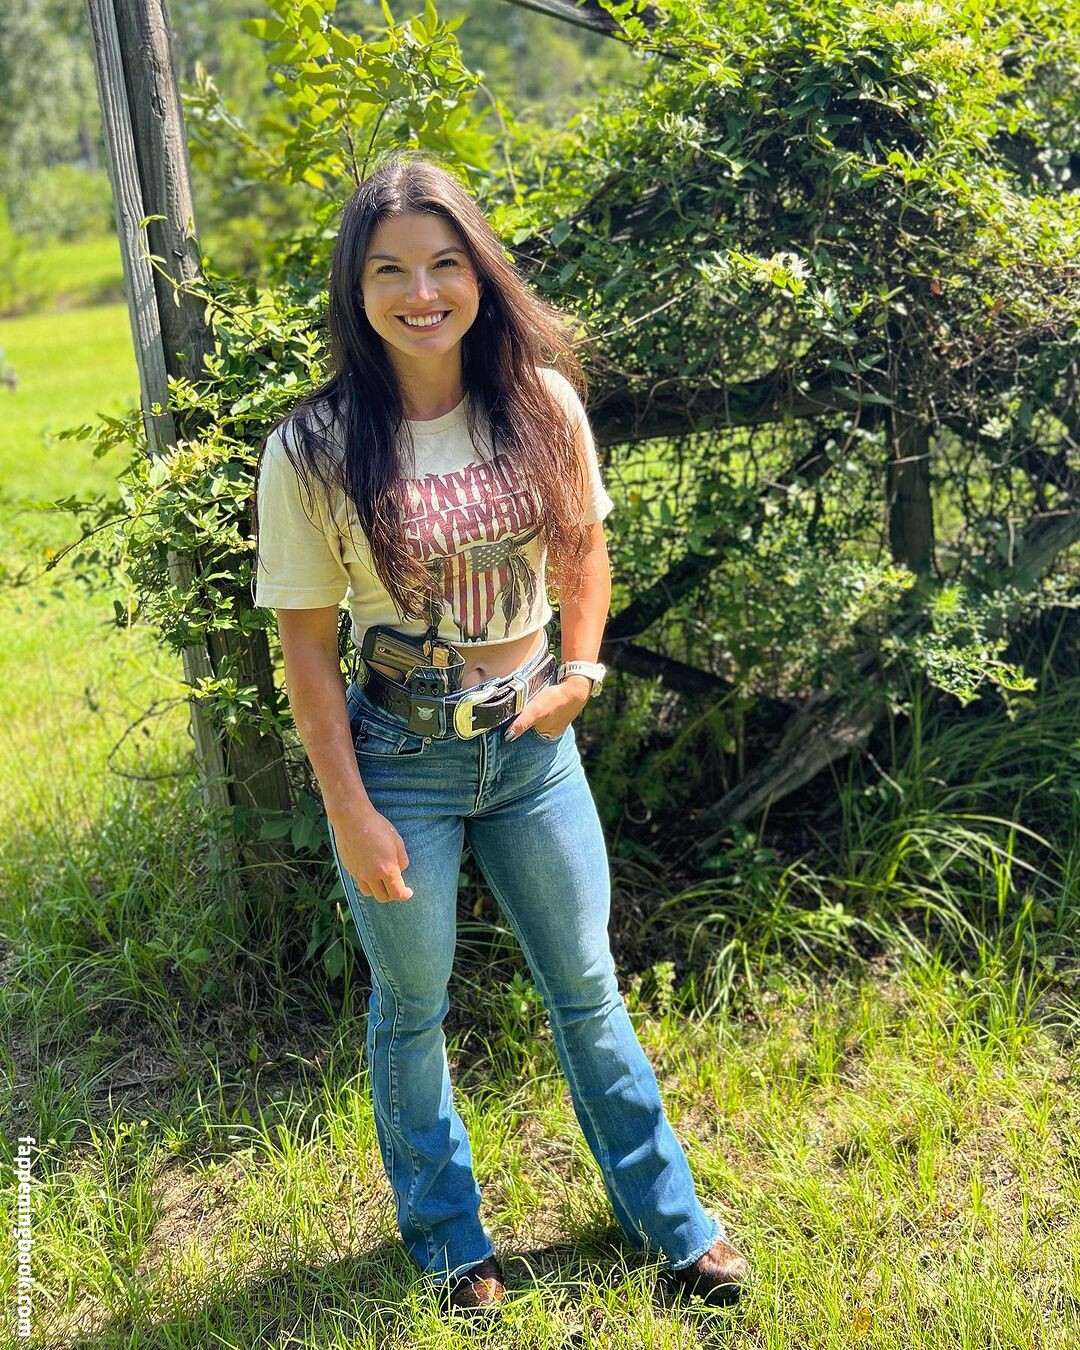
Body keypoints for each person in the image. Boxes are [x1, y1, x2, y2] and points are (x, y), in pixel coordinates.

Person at [251, 150, 749, 1314]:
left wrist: (581, 669)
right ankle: (449, 1244)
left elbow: (584, 546)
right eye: (389, 271)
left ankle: (675, 1224)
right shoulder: (314, 447)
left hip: (534, 752)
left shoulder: (539, 403)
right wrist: (350, 810)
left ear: (479, 273)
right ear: (356, 289)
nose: (421, 292)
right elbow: (308, 649)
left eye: (443, 263)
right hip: (399, 763)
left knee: (588, 988)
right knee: (412, 1010)